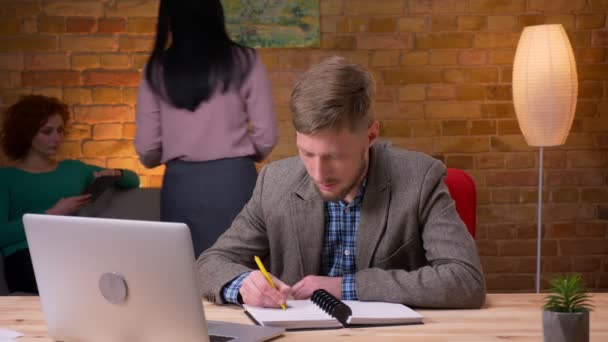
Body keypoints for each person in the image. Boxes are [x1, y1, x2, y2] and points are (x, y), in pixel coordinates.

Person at [197, 57, 486, 309]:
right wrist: (244, 284)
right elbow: (209, 264)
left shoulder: (420, 178)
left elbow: (465, 279)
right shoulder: (275, 182)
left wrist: (346, 287)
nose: (319, 173)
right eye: (307, 153)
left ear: (370, 136)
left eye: (335, 157)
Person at [135, 0, 278, 257]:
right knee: (243, 270)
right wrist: (242, 153)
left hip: (182, 185)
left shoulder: (156, 69)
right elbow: (266, 135)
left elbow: (147, 147)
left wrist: (165, 156)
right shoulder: (246, 60)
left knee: (185, 271)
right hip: (235, 178)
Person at [0, 95, 140, 293]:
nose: (57, 138)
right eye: (47, 131)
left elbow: (134, 180)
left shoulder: (74, 169)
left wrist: (116, 173)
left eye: (60, 130)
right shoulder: (6, 178)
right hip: (26, 255)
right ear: (26, 134)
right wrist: (51, 214)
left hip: (72, 249)